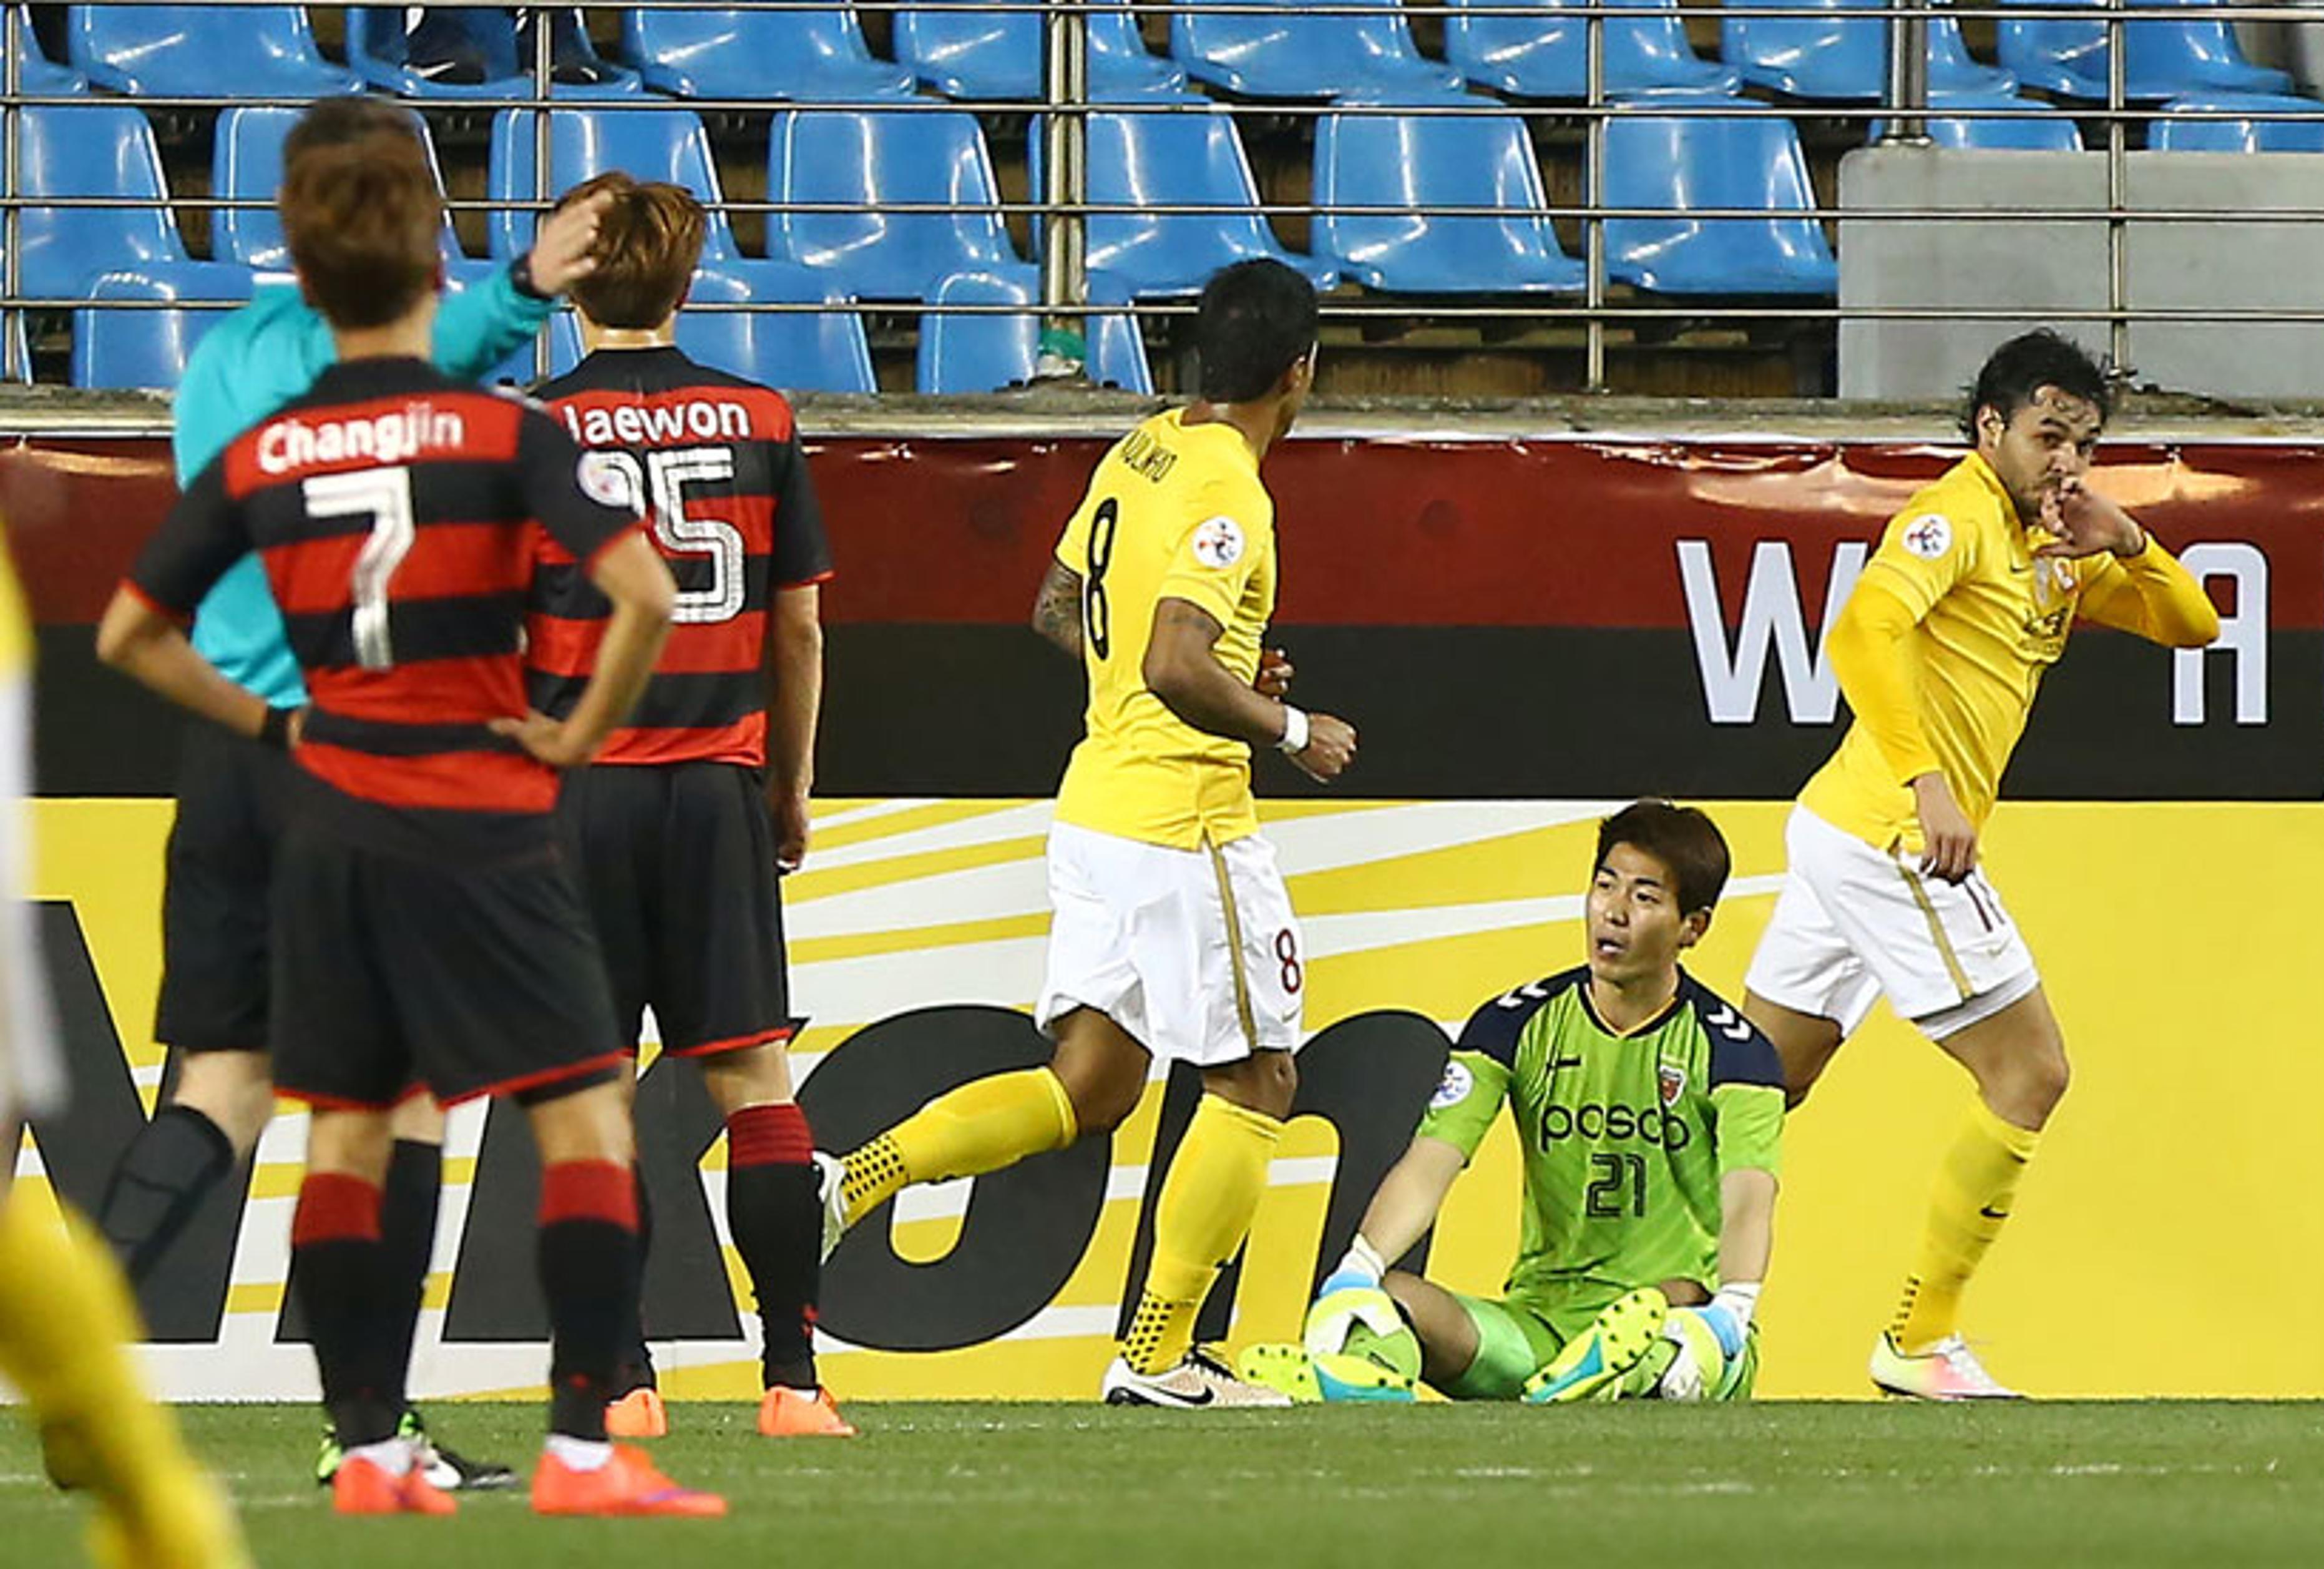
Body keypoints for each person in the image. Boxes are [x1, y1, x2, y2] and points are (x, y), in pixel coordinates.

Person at [95, 121, 721, 1519]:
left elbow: (173, 584)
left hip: (260, 761)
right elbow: (414, 410)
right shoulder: (464, 408)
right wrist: (521, 290)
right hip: (421, 763)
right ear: (424, 242)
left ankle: (327, 1422)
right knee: (515, 1105)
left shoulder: (229, 373)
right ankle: (460, 1435)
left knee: (254, 1094)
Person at [816, 257, 1357, 1407]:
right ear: (1300, 373)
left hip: (1097, 811)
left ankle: (860, 1174)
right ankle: (1158, 1354)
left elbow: (1057, 608)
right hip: (1181, 821)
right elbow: (1169, 659)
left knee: (1094, 1081)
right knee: (1259, 1076)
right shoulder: (1228, 489)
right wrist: (1288, 722)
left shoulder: (1141, 446)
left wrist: (1216, 671)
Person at [1740, 330, 2222, 1399]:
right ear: (1989, 429)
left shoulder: (2052, 542)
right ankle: (1921, 1335)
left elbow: (2196, 625)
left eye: (2084, 444)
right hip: (1891, 835)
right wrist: (1928, 782)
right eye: (2049, 437)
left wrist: (2127, 537)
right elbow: (1864, 630)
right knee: (2031, 1070)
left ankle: (1642, 1292)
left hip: (1840, 831)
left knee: (1759, 1086)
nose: (2067, 463)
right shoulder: (1954, 514)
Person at [527, 171, 846, 1440]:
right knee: (758, 1088)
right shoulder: (761, 416)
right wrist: (789, 788)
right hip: (717, 789)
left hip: (575, 800)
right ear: (689, 279)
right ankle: (792, 1384)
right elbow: (803, 628)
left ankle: (626, 1382)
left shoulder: (532, 430)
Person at [1285, 801, 1782, 1405]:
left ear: (1692, 927)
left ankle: (1630, 1364)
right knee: (1392, 1300)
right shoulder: (1513, 1024)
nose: (1615, 912)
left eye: (1646, 898)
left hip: (1682, 1328)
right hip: (1538, 1332)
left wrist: (1732, 1310)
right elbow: (1430, 1162)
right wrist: (1357, 1271)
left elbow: (1749, 1200)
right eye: (1605, 886)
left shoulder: (1736, 1052)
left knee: (1674, 1309)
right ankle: (1367, 1382)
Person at [0, 514, 251, 1566]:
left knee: (241, 1081)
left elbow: (132, 627)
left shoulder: (242, 425)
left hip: (239, 765)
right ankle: (372, 1430)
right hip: (360, 768)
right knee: (374, 1094)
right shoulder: (459, 429)